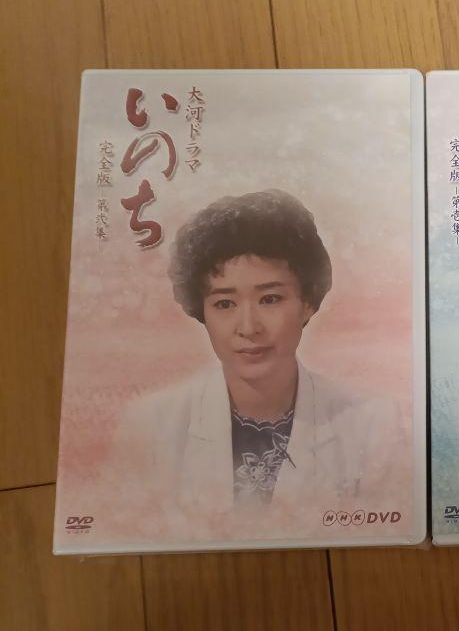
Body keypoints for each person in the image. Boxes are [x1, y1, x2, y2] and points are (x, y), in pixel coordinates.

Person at [109, 189, 407, 528]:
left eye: (270, 299)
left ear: (308, 302)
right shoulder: (149, 427)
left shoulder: (373, 424)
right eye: (224, 304)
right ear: (201, 311)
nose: (249, 328)